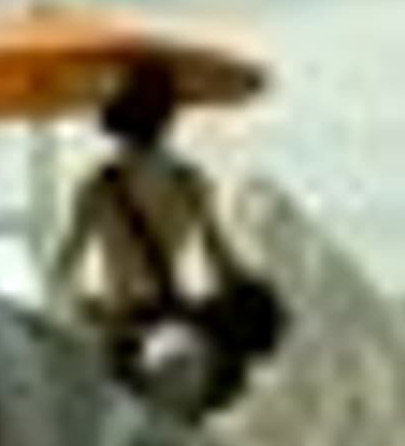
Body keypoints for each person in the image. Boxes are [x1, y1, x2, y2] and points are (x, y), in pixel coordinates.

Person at [52, 60, 279, 416]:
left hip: (122, 329)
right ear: (168, 122)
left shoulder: (99, 186)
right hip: (177, 321)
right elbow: (223, 266)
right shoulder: (191, 183)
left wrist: (87, 307)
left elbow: (63, 271)